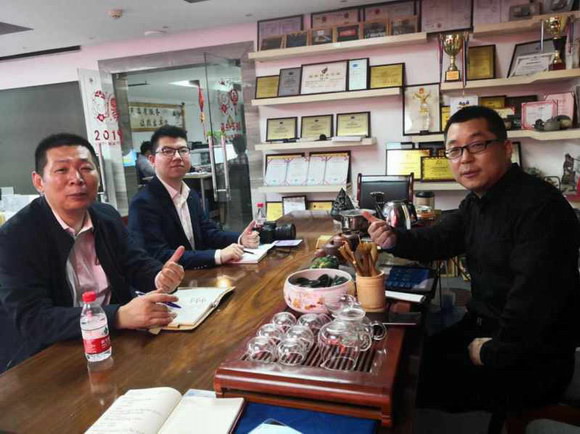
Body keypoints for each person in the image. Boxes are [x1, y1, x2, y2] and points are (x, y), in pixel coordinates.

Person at [365, 106, 580, 419]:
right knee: (404, 358)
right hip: (484, 328)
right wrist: (394, 238)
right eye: (454, 150)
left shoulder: (539, 208)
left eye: (477, 145)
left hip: (530, 358)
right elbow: (439, 240)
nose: (464, 159)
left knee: (399, 384)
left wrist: (492, 352)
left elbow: (534, 302)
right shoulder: (479, 200)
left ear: (506, 148)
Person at [0, 133, 185, 373]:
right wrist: (117, 316)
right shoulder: (15, 237)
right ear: (39, 181)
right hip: (50, 358)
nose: (77, 179)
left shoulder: (105, 216)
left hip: (116, 344)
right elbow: (33, 320)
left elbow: (134, 263)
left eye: (86, 168)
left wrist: (160, 276)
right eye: (62, 170)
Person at [128, 125, 259, 270]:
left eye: (183, 150)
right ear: (152, 160)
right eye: (167, 151)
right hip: (170, 281)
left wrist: (241, 239)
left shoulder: (190, 194)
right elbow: (157, 255)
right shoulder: (143, 203)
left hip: (198, 276)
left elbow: (207, 232)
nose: (177, 157)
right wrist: (218, 255)